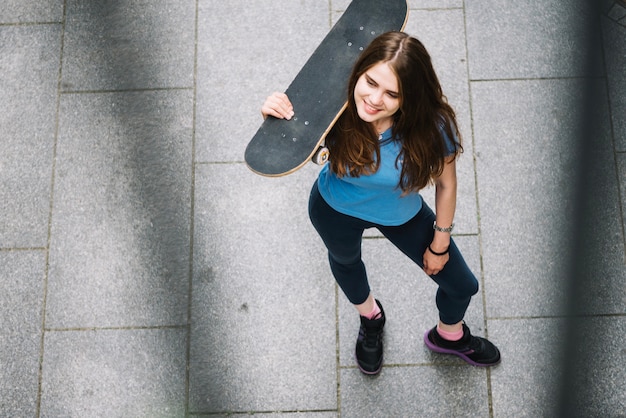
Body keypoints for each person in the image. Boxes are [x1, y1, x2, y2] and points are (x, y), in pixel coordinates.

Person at [261, 31, 500, 374]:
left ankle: (449, 336)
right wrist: (272, 116)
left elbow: (446, 183)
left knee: (463, 284)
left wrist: (440, 241)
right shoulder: (335, 106)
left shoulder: (433, 127)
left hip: (400, 213)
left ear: (411, 98)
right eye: (370, 82)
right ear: (358, 72)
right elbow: (281, 142)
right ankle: (371, 318)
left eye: (392, 94)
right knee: (346, 262)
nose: (373, 99)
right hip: (335, 209)